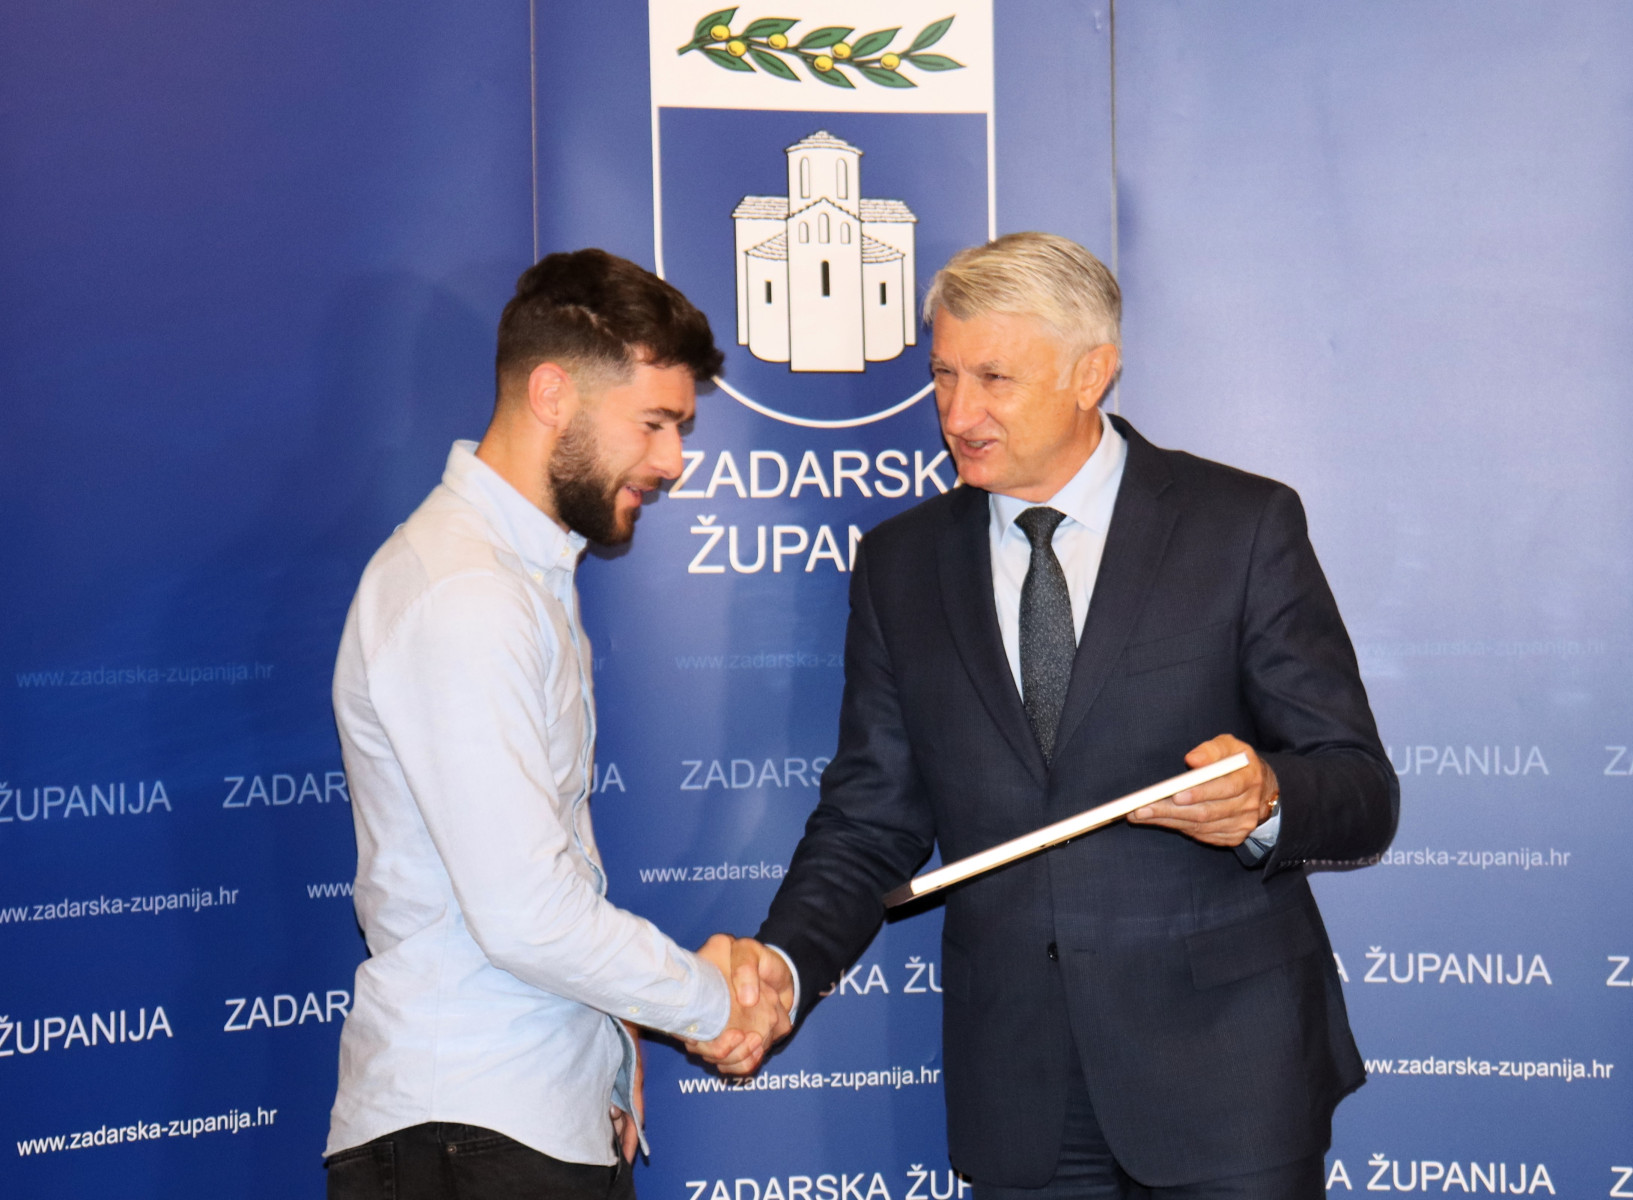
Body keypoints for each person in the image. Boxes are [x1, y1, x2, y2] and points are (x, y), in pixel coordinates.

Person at [733, 233, 1398, 1198]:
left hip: (1229, 1077)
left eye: (994, 378)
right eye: (943, 375)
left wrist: (1266, 800)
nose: (957, 413)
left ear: (1092, 374)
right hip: (1020, 1090)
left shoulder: (1240, 525)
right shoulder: (899, 565)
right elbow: (869, 820)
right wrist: (783, 963)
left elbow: (1359, 787)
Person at [324, 249, 788, 1200]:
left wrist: (606, 1043)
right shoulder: (465, 590)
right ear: (551, 394)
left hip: (515, 1123)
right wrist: (708, 1003)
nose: (673, 462)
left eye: (680, 428)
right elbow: (526, 913)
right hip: (469, 1132)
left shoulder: (517, 574)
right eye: (653, 423)